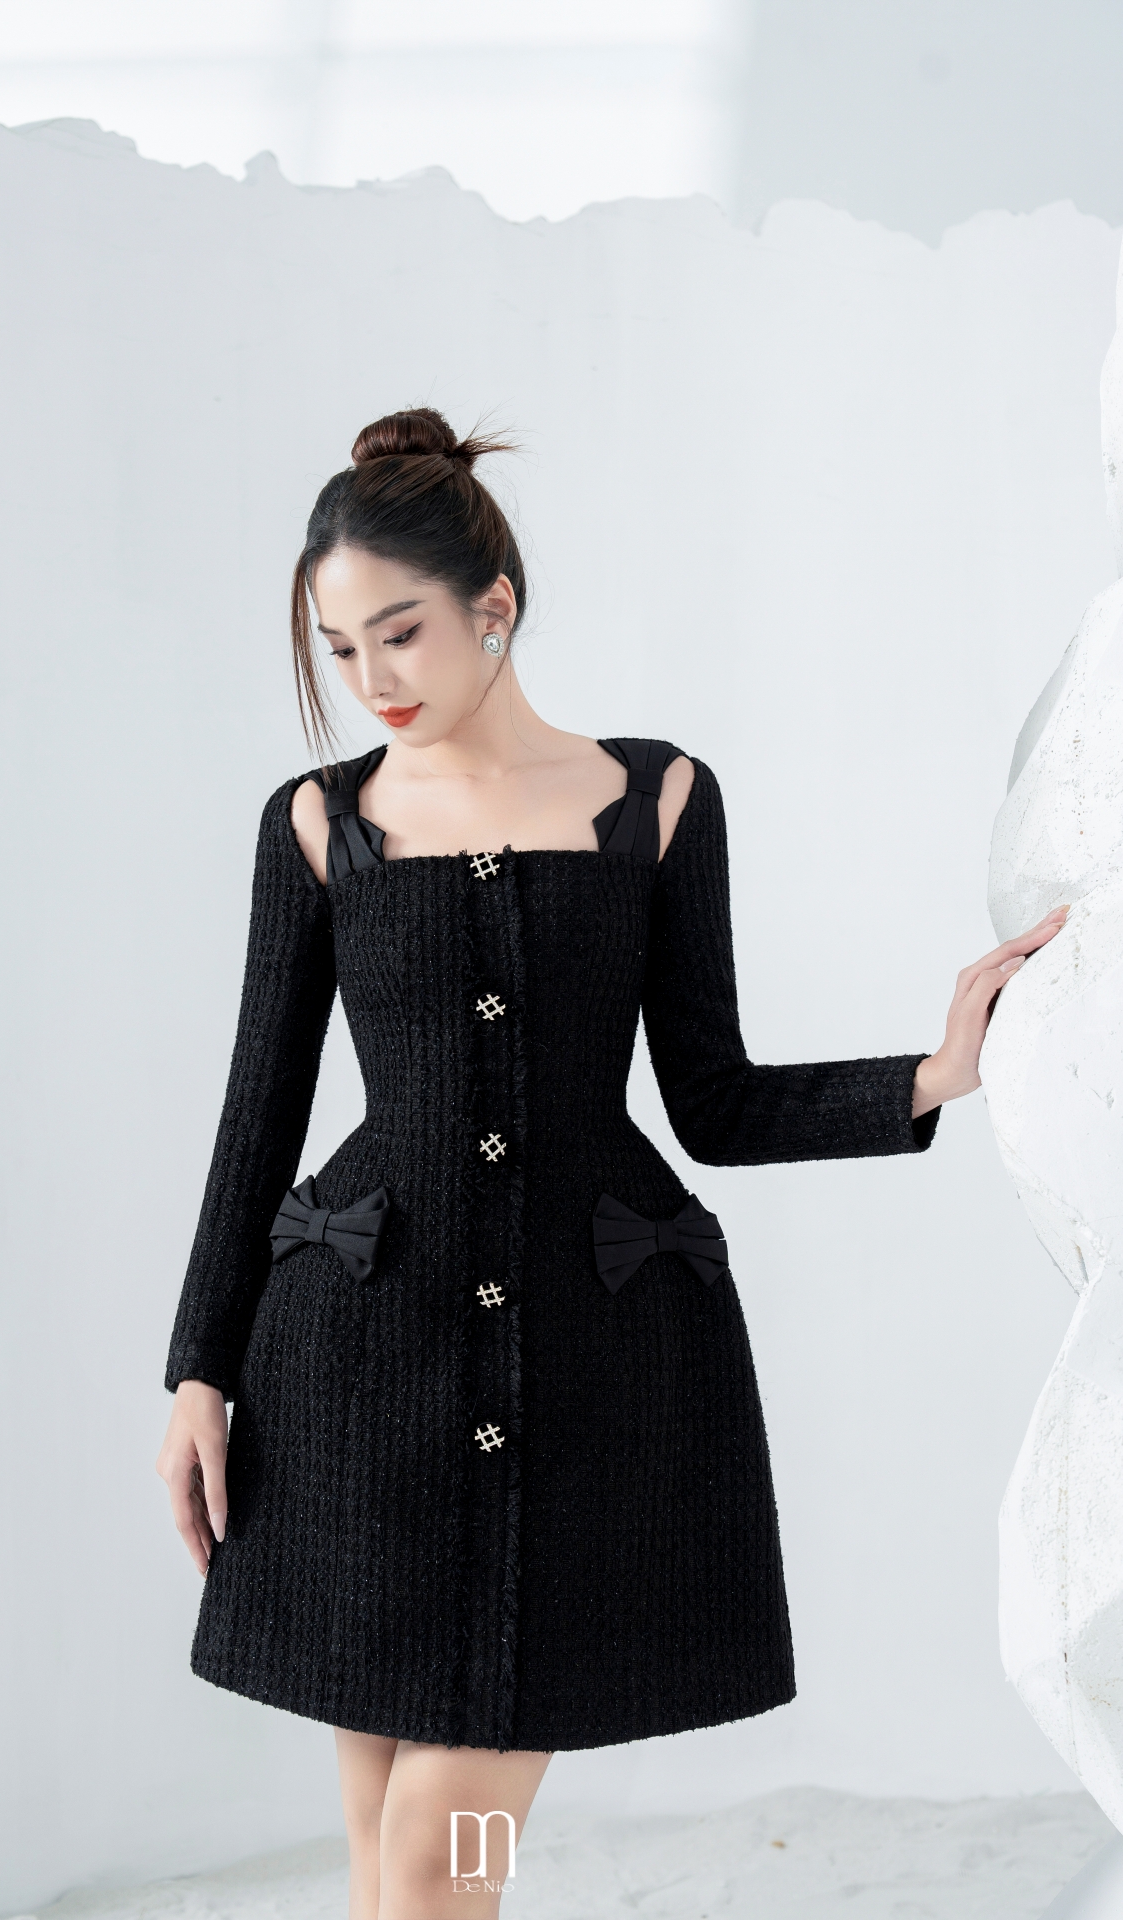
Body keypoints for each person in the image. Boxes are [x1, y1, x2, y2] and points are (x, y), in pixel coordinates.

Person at [156, 407, 1066, 1920]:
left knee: (441, 1866)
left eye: (401, 633)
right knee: (386, 1855)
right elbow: (258, 1114)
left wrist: (927, 1078)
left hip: (590, 1387)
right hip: (356, 1389)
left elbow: (712, 1100)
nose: (373, 680)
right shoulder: (317, 825)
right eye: (340, 649)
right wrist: (199, 1370)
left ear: (494, 608)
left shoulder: (660, 799)